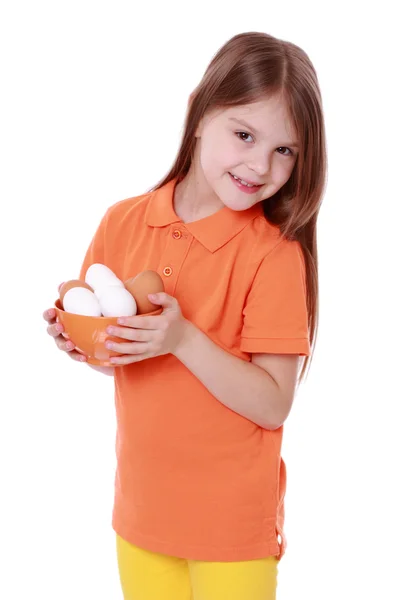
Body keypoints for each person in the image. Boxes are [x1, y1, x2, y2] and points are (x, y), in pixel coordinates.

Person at [43, 30, 327, 600]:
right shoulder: (122, 222)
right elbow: (130, 361)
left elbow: (274, 403)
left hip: (230, 527)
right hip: (143, 513)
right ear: (200, 116)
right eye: (244, 134)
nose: (260, 164)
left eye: (284, 150)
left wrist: (183, 339)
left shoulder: (273, 253)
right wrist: (87, 346)